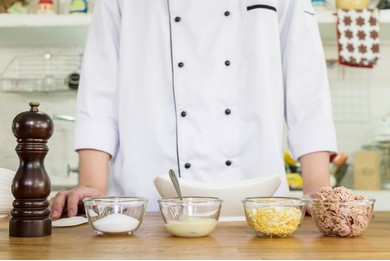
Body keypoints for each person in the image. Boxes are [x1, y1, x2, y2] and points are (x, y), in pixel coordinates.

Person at [50, 0, 337, 219]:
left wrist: (317, 187)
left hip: (259, 206)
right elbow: (100, 88)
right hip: (148, 208)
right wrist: (92, 185)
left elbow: (307, 86)